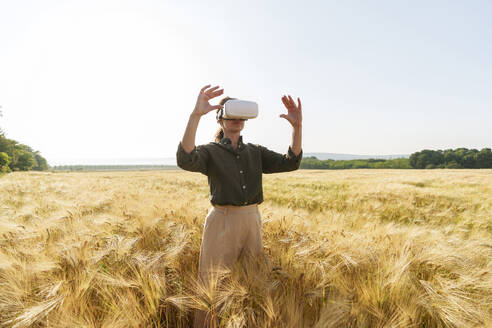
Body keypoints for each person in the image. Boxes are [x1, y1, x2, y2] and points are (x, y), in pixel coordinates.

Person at [176, 84, 303, 328]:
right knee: (212, 285)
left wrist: (297, 127)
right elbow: (185, 158)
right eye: (229, 114)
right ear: (220, 119)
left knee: (253, 284)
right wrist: (195, 115)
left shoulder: (255, 152)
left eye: (239, 115)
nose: (235, 119)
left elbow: (291, 162)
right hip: (222, 220)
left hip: (252, 220)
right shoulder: (211, 152)